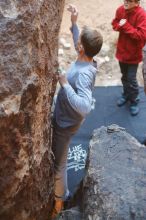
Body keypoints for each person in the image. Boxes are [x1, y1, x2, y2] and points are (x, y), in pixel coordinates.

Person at [51, 4, 103, 218]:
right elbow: (78, 44)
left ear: (82, 48)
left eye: (79, 40)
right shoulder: (87, 59)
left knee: (59, 165)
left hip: (66, 124)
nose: (76, 43)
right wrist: (74, 24)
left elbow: (83, 107)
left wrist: (64, 83)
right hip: (64, 116)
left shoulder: (82, 75)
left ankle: (59, 202)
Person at [112, 0, 146, 116]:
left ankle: (134, 100)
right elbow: (115, 24)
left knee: (131, 79)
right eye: (125, 0)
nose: (126, 2)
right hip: (122, 51)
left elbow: (141, 35)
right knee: (124, 76)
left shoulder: (142, 14)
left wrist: (125, 25)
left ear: (136, 3)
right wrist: (118, 26)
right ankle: (126, 94)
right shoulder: (120, 9)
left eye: (129, 1)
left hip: (133, 54)